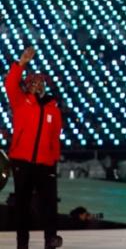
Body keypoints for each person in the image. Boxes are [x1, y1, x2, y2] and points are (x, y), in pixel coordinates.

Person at [5, 47, 63, 249]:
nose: (39, 85)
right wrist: (21, 64)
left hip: (45, 163)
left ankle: (51, 239)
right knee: (22, 205)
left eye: (42, 82)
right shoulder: (20, 102)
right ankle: (23, 244)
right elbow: (10, 83)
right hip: (22, 161)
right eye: (35, 82)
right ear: (28, 85)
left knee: (49, 203)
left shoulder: (53, 109)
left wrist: (54, 158)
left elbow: (55, 137)